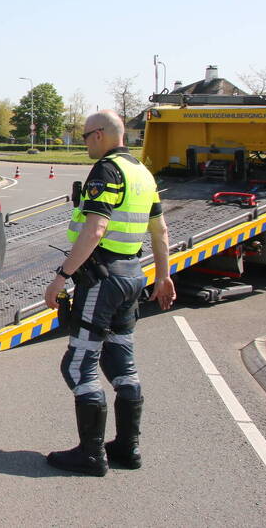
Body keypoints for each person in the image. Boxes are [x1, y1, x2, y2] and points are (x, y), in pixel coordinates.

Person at [42, 109, 176, 476]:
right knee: (120, 361)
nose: (84, 142)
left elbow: (95, 228)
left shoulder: (108, 170)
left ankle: (91, 454)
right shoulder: (142, 173)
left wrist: (62, 277)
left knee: (78, 365)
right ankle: (127, 449)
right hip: (133, 275)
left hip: (101, 278)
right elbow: (160, 231)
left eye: (85, 136)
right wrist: (163, 277)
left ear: (100, 135)